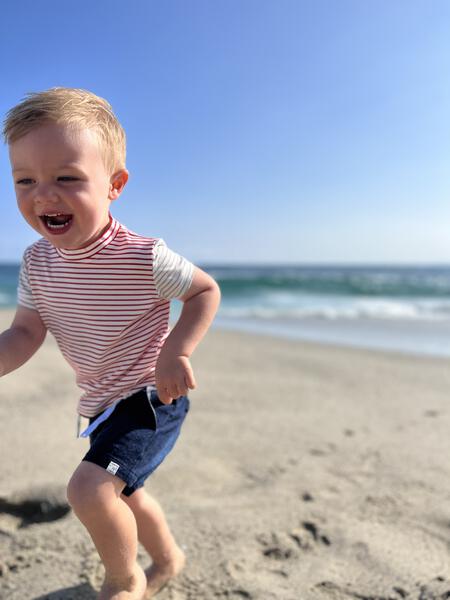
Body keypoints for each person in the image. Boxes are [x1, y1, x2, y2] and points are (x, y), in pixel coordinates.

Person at [0, 88, 221, 599]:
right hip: (102, 404)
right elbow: (26, 333)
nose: (44, 195)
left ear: (114, 184)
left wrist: (176, 351)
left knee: (90, 489)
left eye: (67, 178)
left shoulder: (143, 257)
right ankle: (169, 558)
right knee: (130, 496)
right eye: (25, 180)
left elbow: (205, 291)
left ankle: (125, 581)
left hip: (151, 396)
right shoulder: (36, 264)